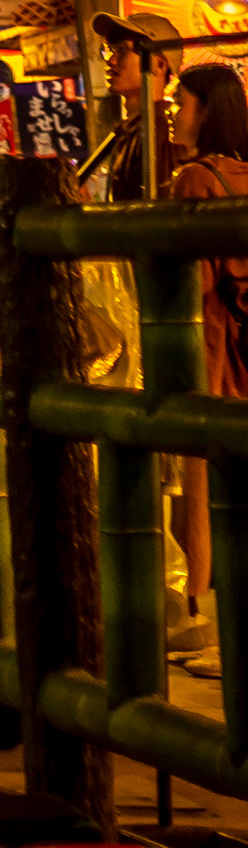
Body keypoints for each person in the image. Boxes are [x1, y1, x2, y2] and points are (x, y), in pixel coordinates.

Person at [168, 61, 248, 648]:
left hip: (214, 341)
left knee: (201, 476)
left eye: (183, 103)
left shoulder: (195, 179)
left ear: (208, 112)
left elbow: (189, 281)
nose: (174, 111)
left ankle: (199, 612)